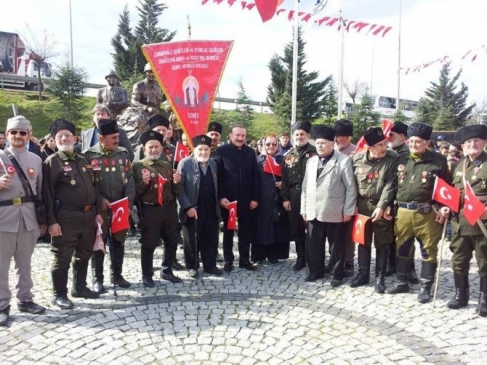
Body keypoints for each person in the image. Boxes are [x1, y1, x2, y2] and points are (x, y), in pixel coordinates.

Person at [43, 119, 104, 309]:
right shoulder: (53, 162)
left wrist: (98, 212)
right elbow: (47, 194)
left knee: (84, 253)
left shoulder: (83, 159)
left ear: (75, 138)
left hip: (88, 215)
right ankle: (59, 294)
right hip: (66, 217)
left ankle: (79, 287)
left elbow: (95, 186)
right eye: (59, 136)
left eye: (67, 135)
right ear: (54, 139)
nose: (63, 138)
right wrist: (51, 221)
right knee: (62, 255)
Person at [387, 122, 450, 304]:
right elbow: (393, 185)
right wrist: (388, 205)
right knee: (402, 247)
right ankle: (401, 281)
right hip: (404, 212)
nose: (414, 144)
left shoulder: (438, 161)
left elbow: (447, 188)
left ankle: (425, 287)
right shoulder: (401, 159)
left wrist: (443, 207)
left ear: (427, 142)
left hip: (427, 213)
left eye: (418, 141)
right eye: (411, 141)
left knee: (428, 250)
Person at [0, 116, 46, 326]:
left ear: (29, 134)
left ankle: (26, 299)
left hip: (28, 217)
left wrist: (42, 219)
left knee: (25, 263)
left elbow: (40, 191)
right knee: (1, 265)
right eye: (14, 132)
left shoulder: (36, 160)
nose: (18, 136)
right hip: (4, 217)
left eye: (22, 132)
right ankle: (2, 304)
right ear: (7, 134)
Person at [301, 125, 357, 286]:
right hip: (313, 210)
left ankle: (337, 274)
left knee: (336, 247)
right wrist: (303, 209)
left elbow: (350, 188)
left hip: (335, 211)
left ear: (332, 143)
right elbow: (305, 187)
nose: (320, 146)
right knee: (313, 245)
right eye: (317, 143)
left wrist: (348, 210)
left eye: (323, 143)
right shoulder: (311, 161)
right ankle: (315, 271)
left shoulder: (343, 161)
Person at [84, 119, 135, 293]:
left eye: (117, 136)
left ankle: (117, 275)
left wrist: (128, 204)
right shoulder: (89, 156)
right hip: (101, 209)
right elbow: (89, 185)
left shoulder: (123, 154)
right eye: (112, 137)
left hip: (120, 207)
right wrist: (100, 200)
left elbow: (130, 181)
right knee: (99, 242)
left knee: (119, 241)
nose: (117, 140)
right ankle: (98, 279)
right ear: (100, 138)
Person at [132, 130, 182, 287]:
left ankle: (167, 270)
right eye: (150, 147)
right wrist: (143, 184)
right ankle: (147, 274)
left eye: (156, 147)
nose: (153, 150)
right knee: (149, 243)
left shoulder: (167, 166)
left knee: (172, 240)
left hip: (169, 208)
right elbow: (134, 193)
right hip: (150, 210)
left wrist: (176, 182)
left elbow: (175, 192)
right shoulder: (137, 167)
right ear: (144, 149)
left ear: (161, 148)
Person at [350, 127, 397, 293]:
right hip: (362, 205)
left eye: (384, 143)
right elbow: (351, 185)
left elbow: (391, 184)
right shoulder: (356, 159)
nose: (383, 148)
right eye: (379, 145)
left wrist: (382, 206)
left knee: (382, 242)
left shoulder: (392, 158)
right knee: (363, 241)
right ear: (368, 147)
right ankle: (363, 274)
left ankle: (380, 277)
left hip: (382, 207)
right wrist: (352, 204)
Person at [447, 124, 487, 317]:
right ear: (462, 145)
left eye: (476, 141)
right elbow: (452, 192)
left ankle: (484, 299)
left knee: (484, 261)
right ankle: (460, 295)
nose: (473, 144)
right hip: (460, 222)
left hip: (482, 223)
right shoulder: (458, 165)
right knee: (459, 260)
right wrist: (446, 206)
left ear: (484, 143)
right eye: (468, 142)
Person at [214, 124, 260, 272]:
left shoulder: (251, 152)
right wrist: (221, 197)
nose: (240, 138)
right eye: (237, 135)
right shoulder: (221, 151)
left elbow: (255, 176)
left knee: (246, 231)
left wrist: (255, 197)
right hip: (229, 201)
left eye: (243, 136)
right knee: (228, 231)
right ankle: (228, 260)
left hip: (247, 200)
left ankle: (245, 260)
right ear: (231, 136)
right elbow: (218, 178)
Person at [177, 135, 223, 278]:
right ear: (194, 149)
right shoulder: (185, 164)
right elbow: (179, 189)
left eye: (206, 149)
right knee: (191, 239)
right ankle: (192, 266)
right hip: (192, 208)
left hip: (210, 207)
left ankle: (210, 265)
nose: (203, 152)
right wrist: (187, 207)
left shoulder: (214, 164)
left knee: (210, 237)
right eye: (200, 149)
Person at [385, 121, 419, 283]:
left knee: (407, 238)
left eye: (391, 134)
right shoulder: (386, 151)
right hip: (390, 200)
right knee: (390, 235)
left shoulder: (408, 153)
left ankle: (409, 268)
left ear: (403, 137)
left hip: (406, 202)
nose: (388, 137)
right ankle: (392, 264)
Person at [281, 121, 316, 271]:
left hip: (312, 194)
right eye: (297, 134)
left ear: (308, 135)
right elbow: (284, 180)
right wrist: (285, 198)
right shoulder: (288, 155)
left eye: (302, 134)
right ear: (292, 136)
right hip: (294, 194)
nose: (299, 136)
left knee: (313, 227)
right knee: (296, 227)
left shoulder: (315, 153)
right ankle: (301, 257)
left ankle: (313, 257)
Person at [253, 134, 291, 264]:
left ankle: (274, 255)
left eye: (274, 144)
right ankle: (259, 256)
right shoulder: (256, 160)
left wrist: (283, 184)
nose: (271, 146)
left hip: (278, 198)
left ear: (278, 145)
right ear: (263, 145)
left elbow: (290, 179)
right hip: (261, 199)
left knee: (276, 227)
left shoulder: (283, 160)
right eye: (268, 144)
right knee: (261, 228)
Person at [333, 119, 357, 277]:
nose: (335, 139)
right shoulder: (331, 150)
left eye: (339, 136)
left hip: (350, 198)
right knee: (334, 233)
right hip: (333, 199)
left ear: (348, 137)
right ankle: (334, 259)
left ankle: (348, 260)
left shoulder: (357, 151)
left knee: (348, 233)